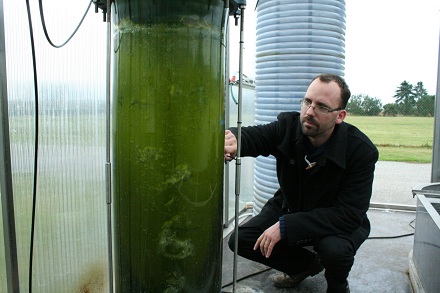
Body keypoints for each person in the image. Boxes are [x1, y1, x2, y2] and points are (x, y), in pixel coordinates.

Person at [224, 74, 378, 293]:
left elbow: (349, 214)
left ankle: (337, 285)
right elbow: (256, 137)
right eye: (308, 102)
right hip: (292, 205)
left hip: (335, 219)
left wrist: (286, 226)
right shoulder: (288, 127)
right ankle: (304, 266)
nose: (309, 112)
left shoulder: (360, 151)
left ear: (340, 116)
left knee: (334, 251)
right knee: (242, 239)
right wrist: (233, 140)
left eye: (322, 107)